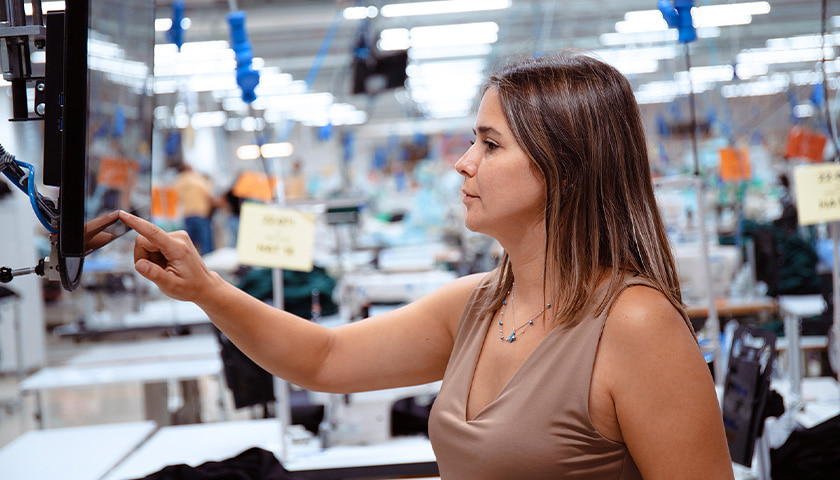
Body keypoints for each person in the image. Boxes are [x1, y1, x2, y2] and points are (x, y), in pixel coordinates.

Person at [118, 51, 734, 479]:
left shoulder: (634, 327)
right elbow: (324, 359)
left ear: (565, 169)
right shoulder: (478, 304)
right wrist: (205, 289)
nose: (463, 163)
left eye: (490, 145)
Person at [173, 163, 216, 255]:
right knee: (206, 243)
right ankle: (207, 265)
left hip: (187, 214)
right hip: (201, 213)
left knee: (189, 244)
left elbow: (177, 198)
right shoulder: (199, 179)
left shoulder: (178, 181)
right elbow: (208, 195)